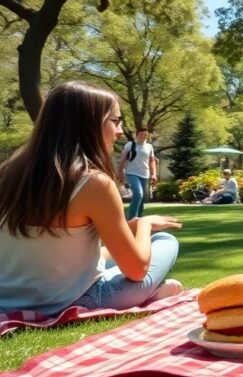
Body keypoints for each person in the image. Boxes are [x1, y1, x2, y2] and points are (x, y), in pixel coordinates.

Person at [0, 82, 183, 315]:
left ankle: (151, 294)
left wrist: (129, 228)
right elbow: (137, 271)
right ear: (90, 123)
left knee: (116, 251)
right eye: (115, 121)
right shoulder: (93, 183)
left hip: (7, 300)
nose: (119, 131)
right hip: (73, 300)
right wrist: (145, 225)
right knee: (166, 240)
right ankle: (148, 297)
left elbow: (51, 248)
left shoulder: (7, 173)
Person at [118, 127, 157, 219]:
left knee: (143, 198)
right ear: (137, 135)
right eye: (141, 134)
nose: (143, 135)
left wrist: (153, 174)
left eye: (145, 134)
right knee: (138, 194)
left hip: (145, 174)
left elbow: (152, 161)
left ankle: (139, 218)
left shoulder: (149, 147)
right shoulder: (130, 145)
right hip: (132, 173)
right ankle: (132, 219)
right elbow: (123, 160)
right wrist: (120, 173)